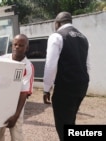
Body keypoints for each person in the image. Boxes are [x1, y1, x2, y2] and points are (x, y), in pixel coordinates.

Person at [43, 12, 90, 141]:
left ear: (57, 23)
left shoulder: (57, 36)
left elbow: (50, 66)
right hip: (82, 85)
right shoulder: (83, 38)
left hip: (65, 87)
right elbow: (87, 64)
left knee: (63, 124)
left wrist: (46, 89)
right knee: (70, 119)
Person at [0, 34, 34, 141]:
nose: (17, 47)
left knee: (16, 132)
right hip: (1, 101)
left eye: (21, 45)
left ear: (27, 48)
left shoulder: (28, 66)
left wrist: (16, 115)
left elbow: (24, 93)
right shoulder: (2, 60)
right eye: (15, 44)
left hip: (17, 103)